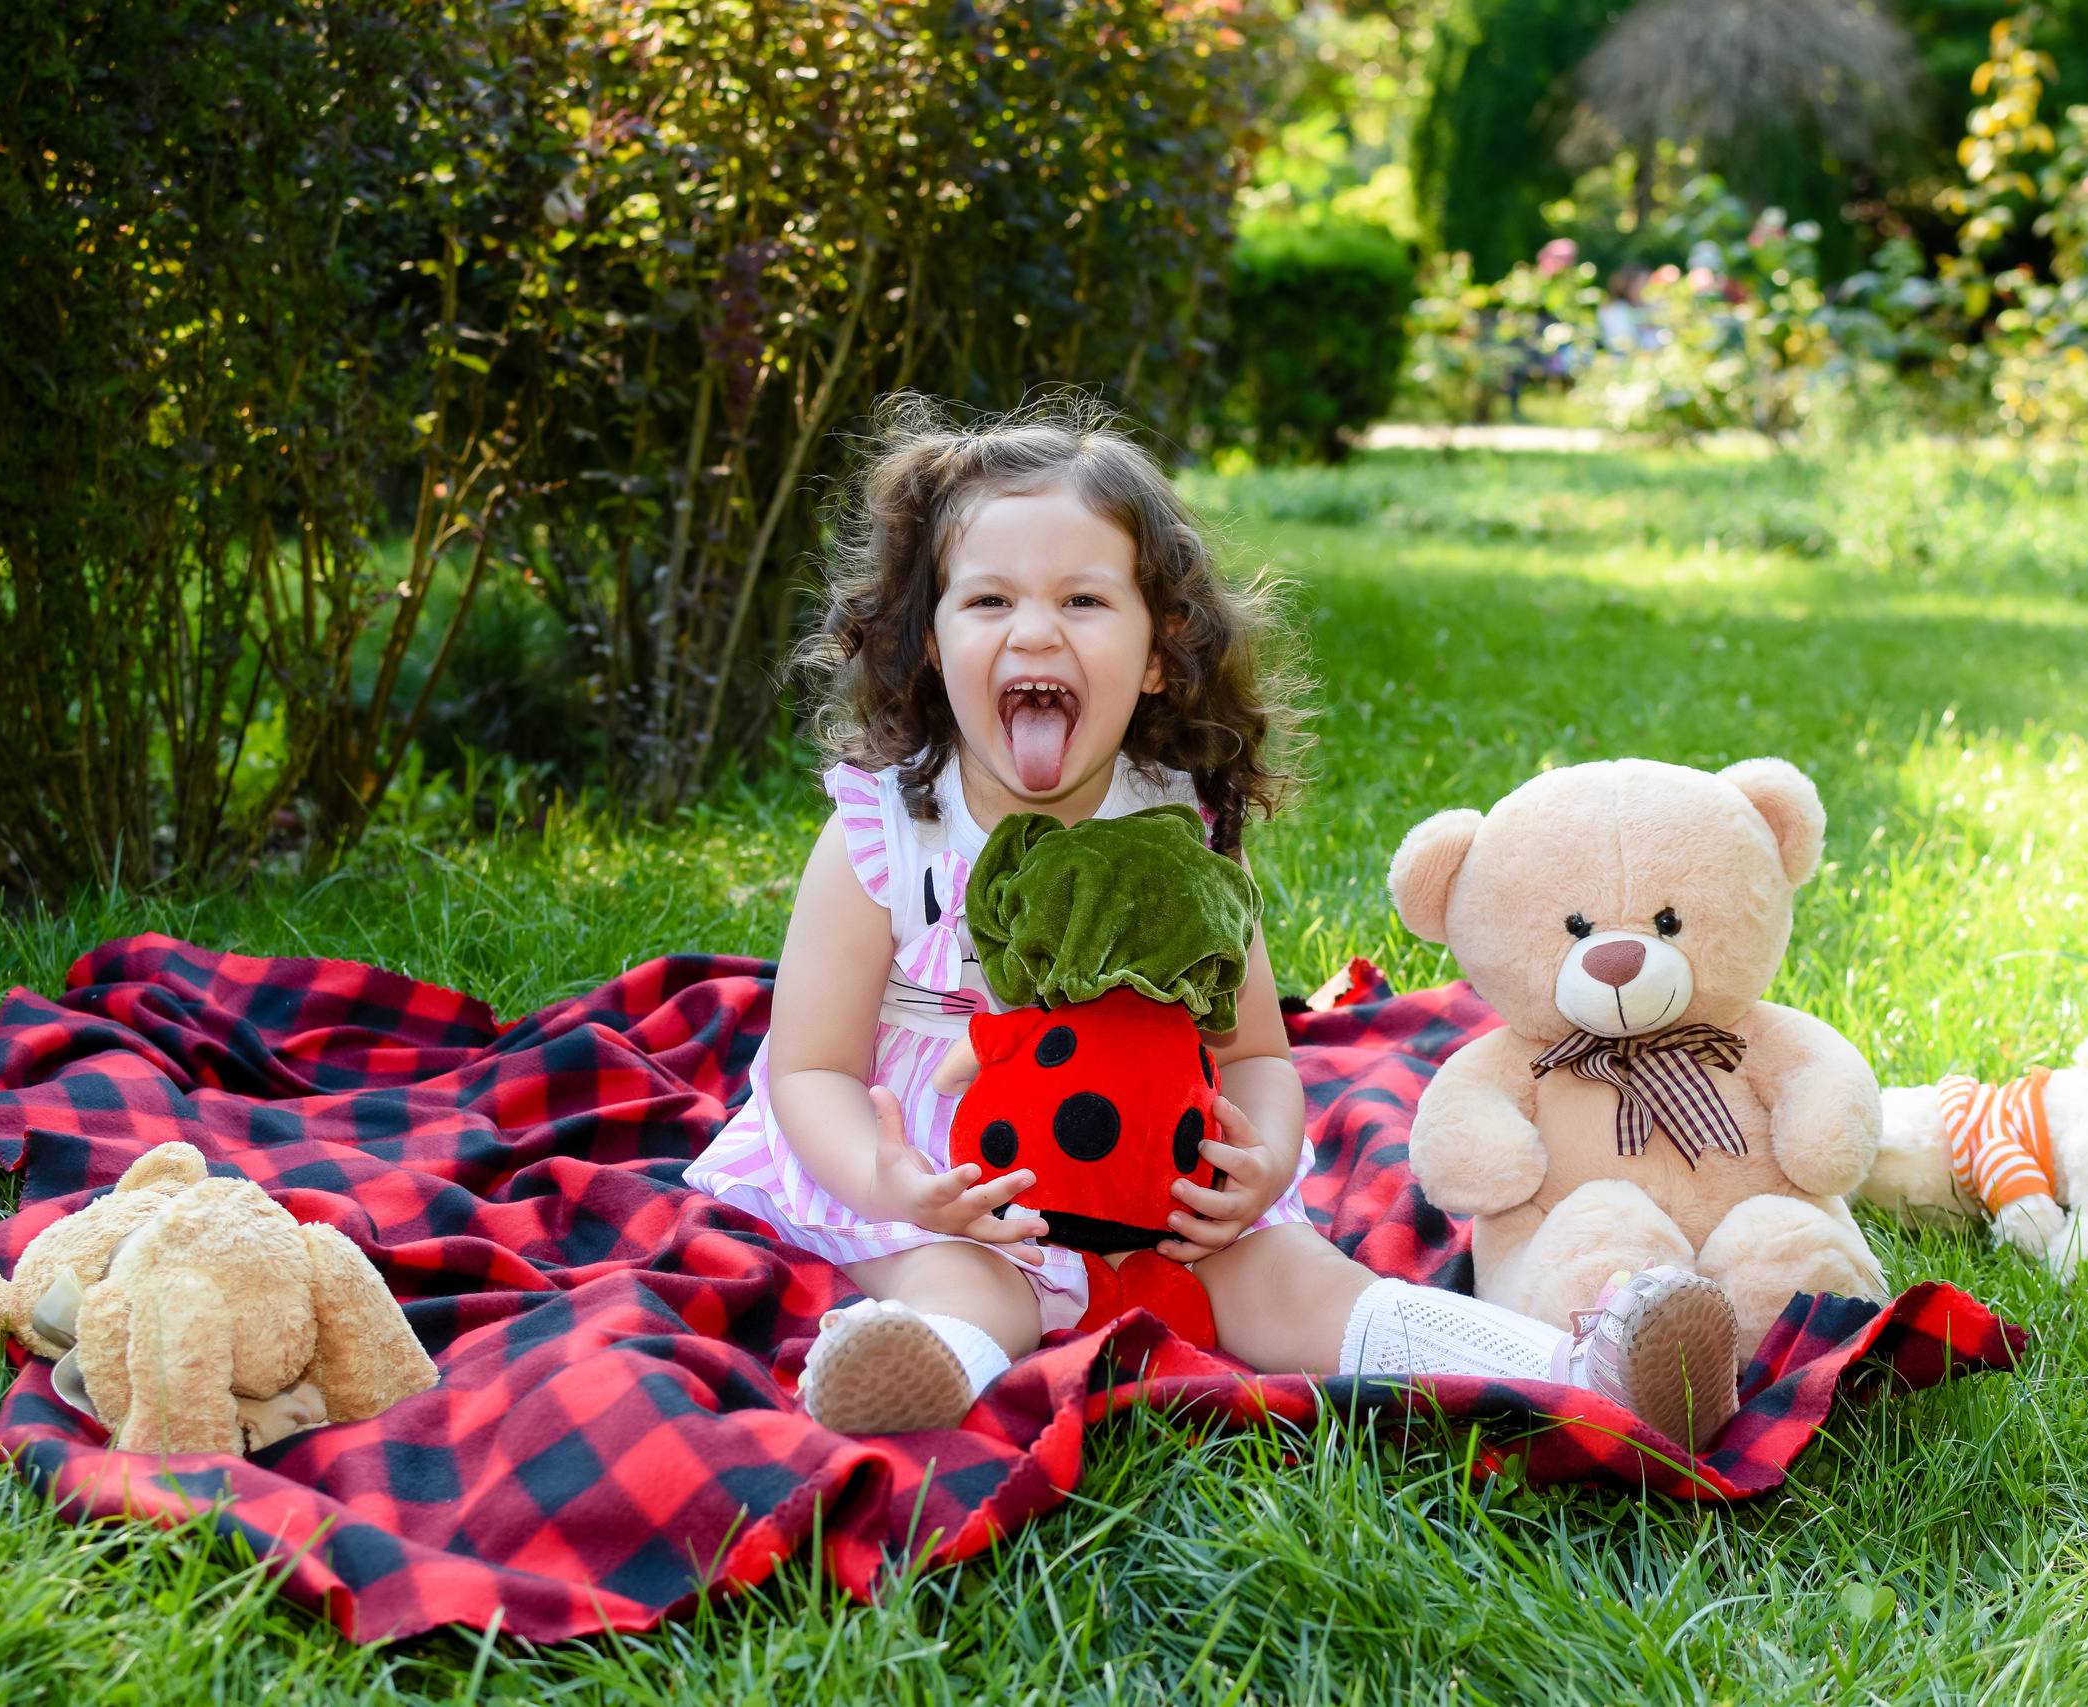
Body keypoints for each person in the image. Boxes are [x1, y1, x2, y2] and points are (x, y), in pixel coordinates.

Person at [683, 396, 1741, 1447]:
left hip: (1154, 1157)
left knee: (1290, 1282)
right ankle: (914, 1366)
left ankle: (1578, 1368)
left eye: (1084, 601)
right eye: (989, 601)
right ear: (925, 643)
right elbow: (811, 1065)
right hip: (950, 1164)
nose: (1035, 629)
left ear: (1157, 651)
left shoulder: (1181, 828)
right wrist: (893, 1184)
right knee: (978, 1289)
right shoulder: (887, 829)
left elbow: (1253, 1051)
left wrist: (1265, 1162)